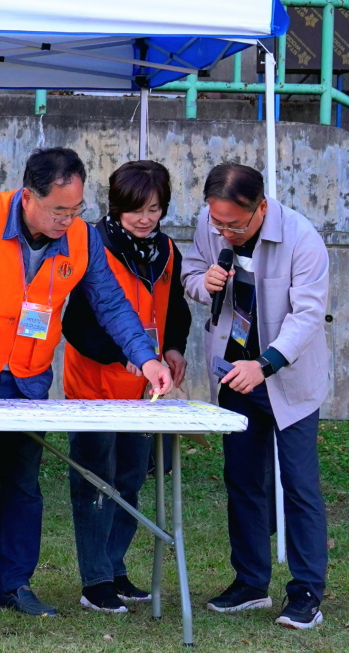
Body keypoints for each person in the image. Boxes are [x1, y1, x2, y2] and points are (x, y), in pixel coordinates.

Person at [0, 147, 172, 619]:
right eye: (58, 210)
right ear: (28, 197)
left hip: (28, 376)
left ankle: (16, 584)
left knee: (24, 483)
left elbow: (111, 304)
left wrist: (145, 358)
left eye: (76, 209)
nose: (68, 220)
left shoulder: (83, 238)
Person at [182, 163, 329, 630]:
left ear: (260, 208)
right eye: (217, 223)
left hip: (287, 378)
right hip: (234, 374)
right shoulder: (211, 223)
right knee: (243, 480)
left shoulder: (302, 239)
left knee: (299, 485)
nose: (223, 232)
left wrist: (264, 365)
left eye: (234, 225)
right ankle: (250, 583)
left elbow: (308, 315)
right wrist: (202, 283)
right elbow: (189, 274)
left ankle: (306, 592)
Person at [60, 160, 191, 613]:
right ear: (116, 206)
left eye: (155, 209)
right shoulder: (91, 244)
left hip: (145, 391)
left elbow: (175, 308)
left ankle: (115, 569)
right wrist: (127, 357)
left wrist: (173, 348)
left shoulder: (166, 250)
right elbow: (76, 324)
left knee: (131, 479)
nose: (145, 219)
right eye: (136, 209)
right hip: (95, 384)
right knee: (95, 482)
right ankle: (95, 580)